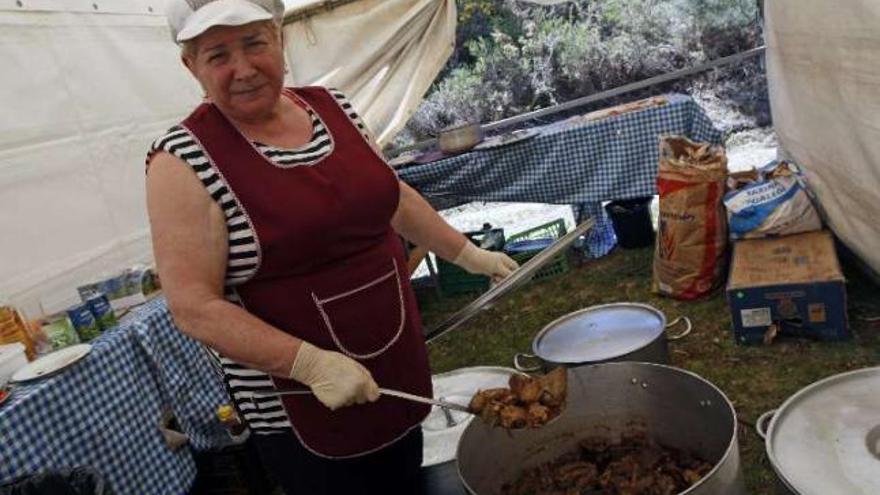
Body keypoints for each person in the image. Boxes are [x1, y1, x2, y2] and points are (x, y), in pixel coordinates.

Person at [144, 0, 519, 493]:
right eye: (217, 55)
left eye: (254, 43)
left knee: (407, 479)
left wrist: (466, 254)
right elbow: (193, 307)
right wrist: (308, 363)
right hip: (299, 403)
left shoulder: (330, 106)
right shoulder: (182, 160)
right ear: (191, 66)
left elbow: (390, 196)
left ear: (278, 37)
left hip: (394, 359)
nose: (243, 69)